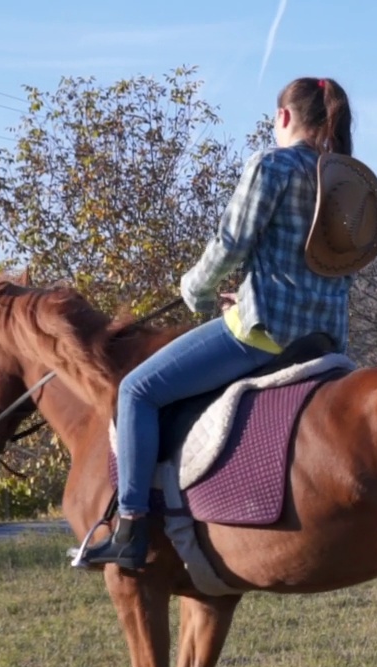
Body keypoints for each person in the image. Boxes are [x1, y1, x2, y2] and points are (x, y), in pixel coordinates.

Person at [81, 77, 359, 570]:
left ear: (285, 118)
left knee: (136, 392)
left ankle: (130, 527)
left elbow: (230, 244)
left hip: (265, 334)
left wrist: (198, 290)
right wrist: (249, 292)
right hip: (325, 341)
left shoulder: (272, 164)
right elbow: (313, 265)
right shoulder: (346, 180)